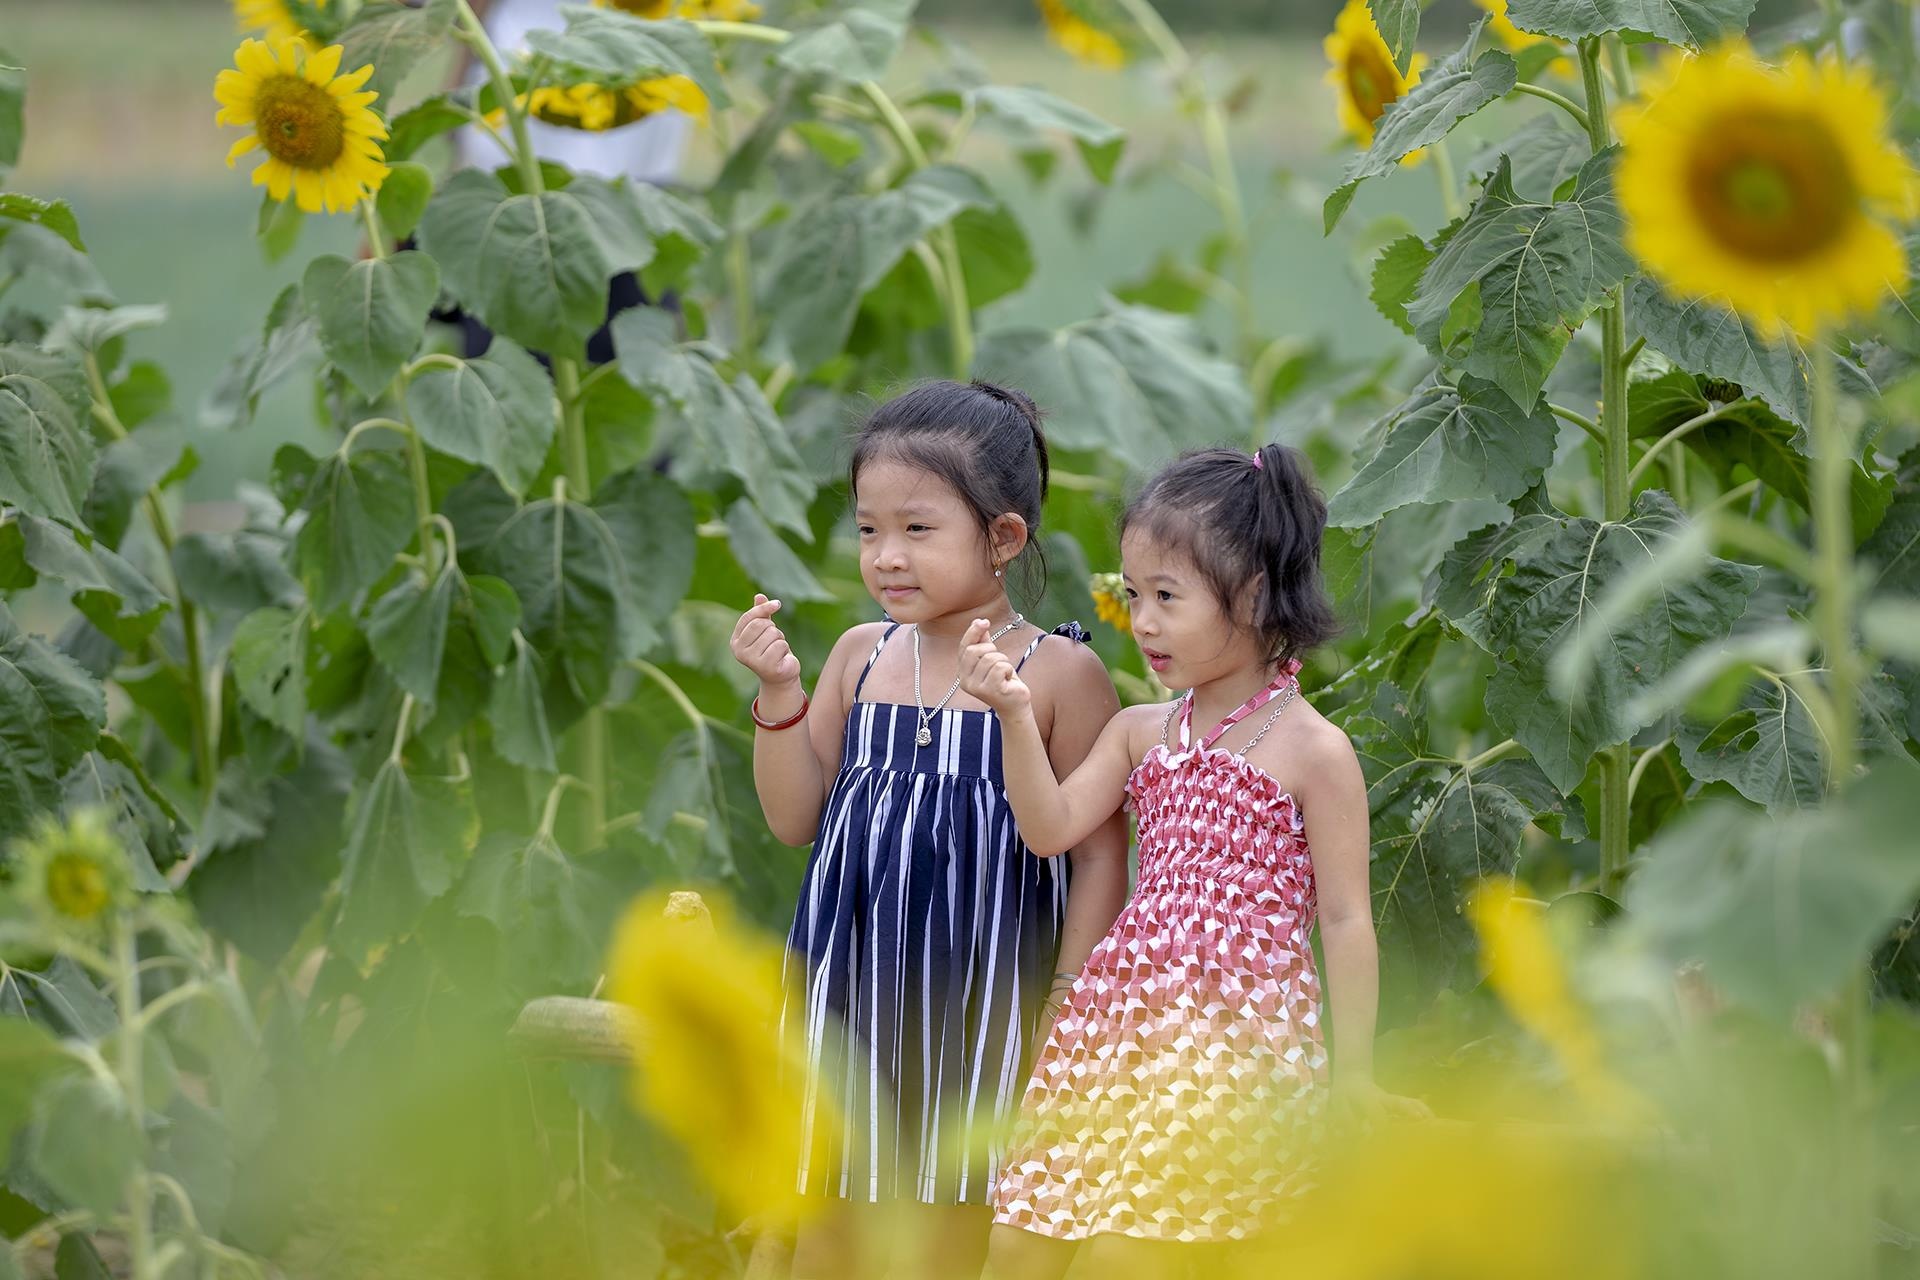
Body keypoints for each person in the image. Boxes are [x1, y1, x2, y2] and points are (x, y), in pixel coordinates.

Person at [962, 444, 1430, 1276]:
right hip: (1118, 1026)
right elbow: (1050, 826)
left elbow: (1345, 918)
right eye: (1133, 595)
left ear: (1252, 595)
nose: (1142, 622)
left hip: (1233, 1041)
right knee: (1020, 1238)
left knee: (1128, 1253)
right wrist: (1014, 716)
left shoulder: (1316, 751)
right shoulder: (1141, 732)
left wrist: (1353, 1077)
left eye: (1167, 597)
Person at [729, 381, 1130, 1280]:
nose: (887, 557)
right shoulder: (859, 656)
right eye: (869, 529)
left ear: (1004, 538)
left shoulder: (1058, 674)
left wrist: (1068, 997)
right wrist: (780, 693)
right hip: (850, 985)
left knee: (956, 1209)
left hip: (985, 995)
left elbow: (1102, 850)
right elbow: (795, 819)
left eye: (917, 529)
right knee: (831, 1206)